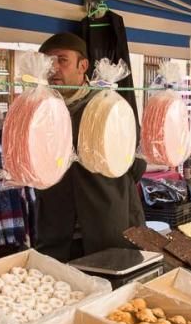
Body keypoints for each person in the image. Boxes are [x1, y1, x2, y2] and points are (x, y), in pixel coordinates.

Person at [32, 32, 146, 261]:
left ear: (82, 65)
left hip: (108, 223)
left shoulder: (107, 106)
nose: (53, 68)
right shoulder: (41, 110)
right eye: (47, 61)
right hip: (57, 229)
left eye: (62, 60)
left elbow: (136, 165)